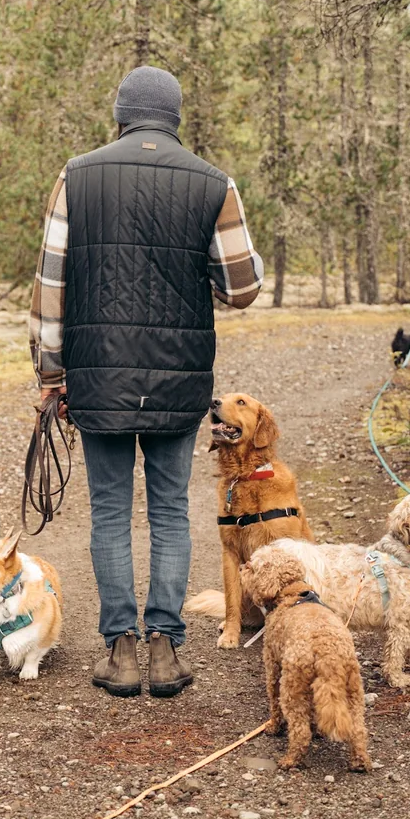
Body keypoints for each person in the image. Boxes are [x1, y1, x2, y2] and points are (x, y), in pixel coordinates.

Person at [29, 66, 263, 698]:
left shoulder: (76, 176)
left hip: (96, 376)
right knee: (169, 510)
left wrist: (52, 375)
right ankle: (167, 649)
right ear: (176, 117)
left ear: (121, 115)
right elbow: (242, 287)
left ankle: (121, 652)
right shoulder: (214, 183)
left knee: (108, 512)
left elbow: (52, 286)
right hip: (179, 381)